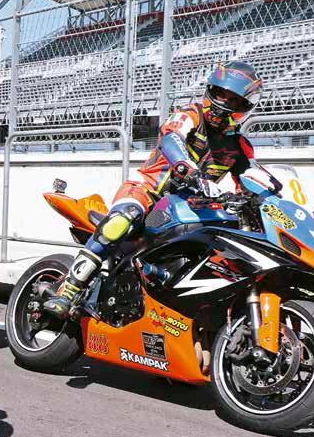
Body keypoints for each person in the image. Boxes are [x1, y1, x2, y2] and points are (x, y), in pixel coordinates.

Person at [43, 60, 271, 318]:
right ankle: (69, 290)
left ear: (245, 107)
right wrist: (188, 169)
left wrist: (274, 198)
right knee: (121, 221)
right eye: (221, 93)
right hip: (147, 191)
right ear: (210, 91)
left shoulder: (239, 144)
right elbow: (171, 139)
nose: (225, 102)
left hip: (190, 205)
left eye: (234, 99)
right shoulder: (190, 115)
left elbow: (252, 174)